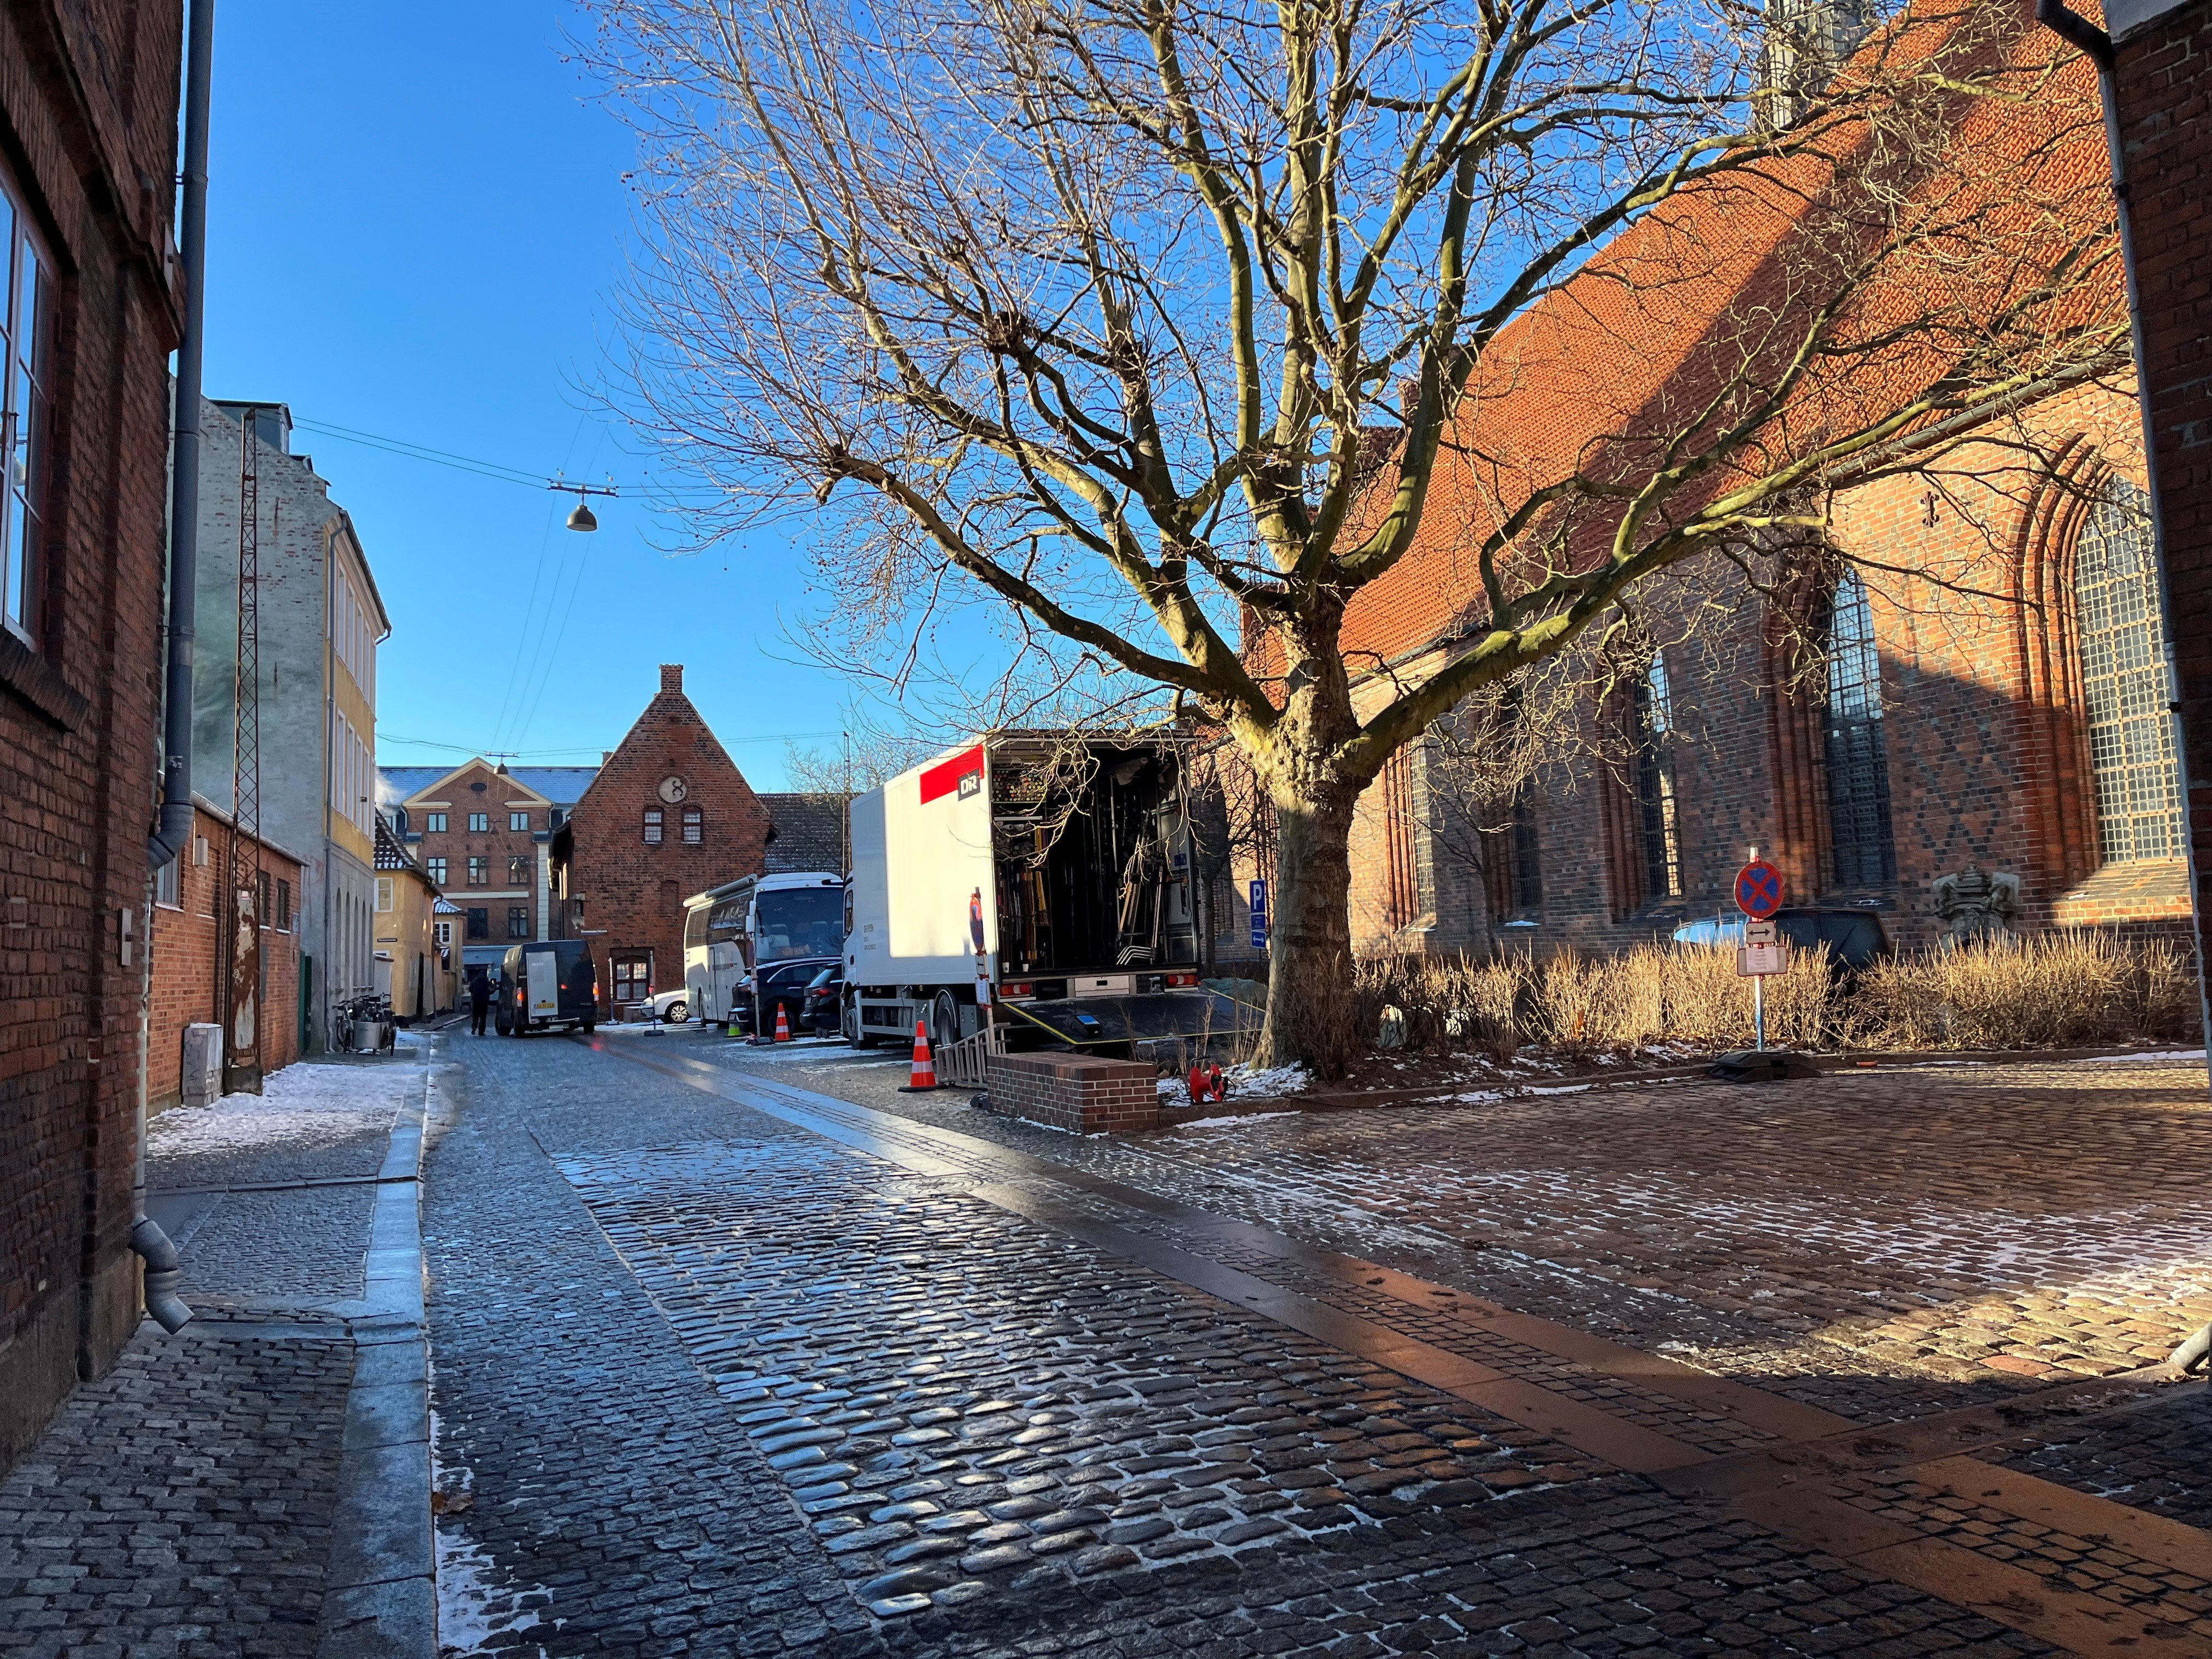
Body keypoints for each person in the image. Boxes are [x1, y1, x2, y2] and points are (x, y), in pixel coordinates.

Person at [469, 970, 491, 1037]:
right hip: (484, 1002)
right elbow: (490, 991)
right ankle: (481, 1032)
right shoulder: (487, 982)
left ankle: (474, 1029)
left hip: (476, 1001)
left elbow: (470, 989)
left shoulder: (475, 981)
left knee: (475, 1016)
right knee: (483, 1018)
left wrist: (474, 994)